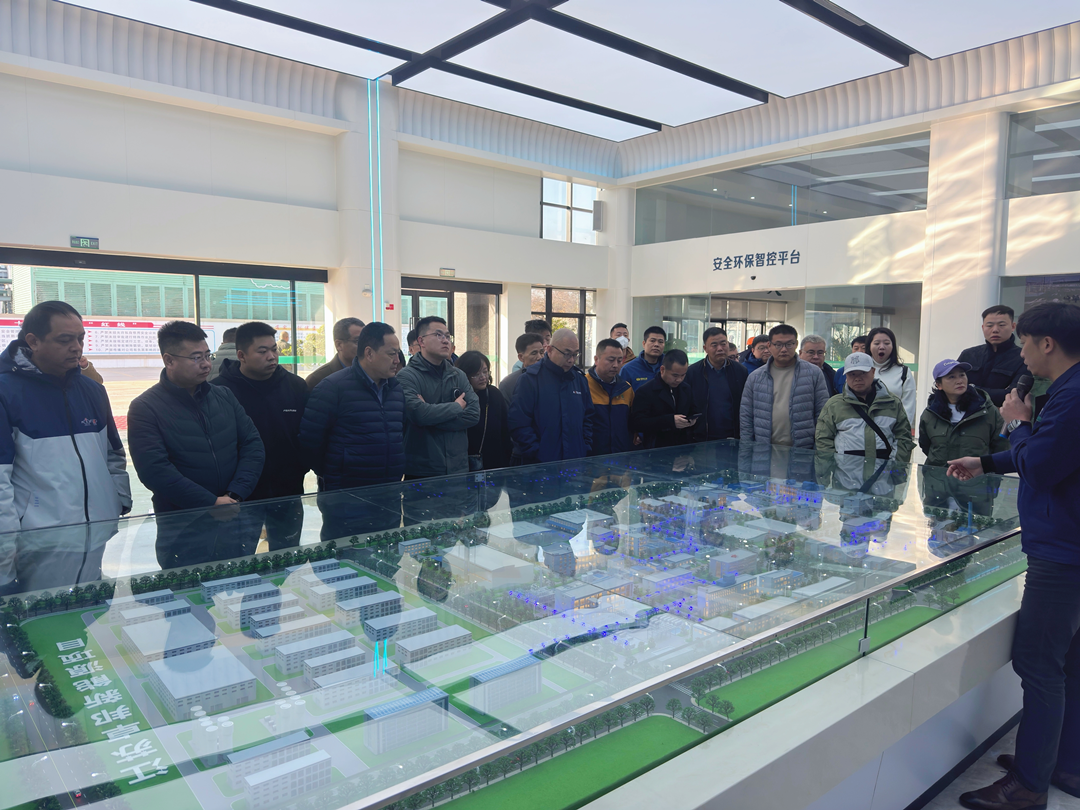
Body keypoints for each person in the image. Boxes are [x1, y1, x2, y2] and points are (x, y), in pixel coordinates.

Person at [947, 303, 1080, 810]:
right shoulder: (1068, 389)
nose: (1021, 352)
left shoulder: (1072, 395)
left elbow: (1041, 465)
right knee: (1070, 664)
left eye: (1024, 341)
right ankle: (1062, 763)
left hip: (1063, 551)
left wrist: (1017, 423)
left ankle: (1027, 785)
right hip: (1067, 544)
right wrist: (986, 461)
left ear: (1047, 343)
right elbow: (1056, 452)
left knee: (1039, 664)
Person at [0, 301, 131, 593]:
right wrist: (5, 552)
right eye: (64, 340)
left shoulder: (93, 390)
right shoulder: (6, 393)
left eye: (80, 338)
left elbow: (113, 454)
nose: (76, 348)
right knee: (43, 616)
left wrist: (116, 502)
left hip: (96, 535)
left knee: (85, 613)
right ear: (33, 341)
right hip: (40, 544)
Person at [128, 321, 265, 569]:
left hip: (233, 517)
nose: (206, 364)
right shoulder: (145, 408)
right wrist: (209, 503)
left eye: (207, 355)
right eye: (195, 358)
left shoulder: (223, 396)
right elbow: (154, 470)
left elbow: (252, 445)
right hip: (183, 527)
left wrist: (234, 495)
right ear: (169, 360)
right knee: (187, 588)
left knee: (235, 583)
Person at [300, 323, 406, 539]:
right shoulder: (333, 387)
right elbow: (310, 442)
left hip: (388, 495)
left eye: (398, 353)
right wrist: (336, 473)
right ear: (369, 353)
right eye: (391, 354)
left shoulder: (395, 389)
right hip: (346, 497)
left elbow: (399, 434)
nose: (397, 360)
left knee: (387, 552)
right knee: (344, 554)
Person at [210, 321, 309, 550]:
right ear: (241, 356)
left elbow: (308, 435)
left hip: (287, 491)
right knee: (238, 558)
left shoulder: (296, 386)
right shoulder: (219, 391)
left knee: (286, 555)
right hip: (239, 496)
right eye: (262, 351)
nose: (272, 356)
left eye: (274, 349)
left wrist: (299, 468)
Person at [397, 316, 479, 478]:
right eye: (438, 335)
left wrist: (429, 419)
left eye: (448, 336)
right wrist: (456, 407)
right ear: (421, 341)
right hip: (423, 469)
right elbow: (418, 414)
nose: (445, 340)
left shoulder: (458, 375)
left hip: (458, 467)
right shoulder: (406, 376)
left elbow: (473, 414)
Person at [509, 327, 594, 463]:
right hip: (541, 464)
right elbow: (519, 422)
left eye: (575, 354)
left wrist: (585, 446)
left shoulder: (579, 380)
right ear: (549, 350)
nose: (571, 360)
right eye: (567, 354)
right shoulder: (530, 379)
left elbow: (588, 418)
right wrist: (536, 452)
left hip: (575, 461)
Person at [740, 325, 830, 449]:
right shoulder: (755, 377)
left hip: (802, 450)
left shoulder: (814, 373)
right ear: (769, 345)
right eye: (778, 345)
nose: (783, 349)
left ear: (796, 344)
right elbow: (746, 418)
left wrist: (817, 450)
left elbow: (822, 415)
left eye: (789, 344)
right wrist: (747, 451)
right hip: (764, 450)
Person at [815, 351, 915, 462]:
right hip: (845, 472)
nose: (857, 378)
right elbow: (823, 440)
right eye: (852, 374)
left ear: (873, 372)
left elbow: (903, 438)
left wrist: (893, 468)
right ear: (846, 376)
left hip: (884, 472)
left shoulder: (892, 403)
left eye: (863, 373)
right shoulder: (834, 405)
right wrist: (832, 466)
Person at [917, 358, 1007, 467]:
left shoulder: (986, 410)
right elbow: (926, 445)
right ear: (939, 385)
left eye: (962, 375)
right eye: (951, 377)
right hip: (939, 476)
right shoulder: (931, 413)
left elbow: (1001, 445)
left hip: (976, 476)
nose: (959, 381)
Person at [957, 305, 1029, 407]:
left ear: (1013, 327)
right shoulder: (968, 355)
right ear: (983, 328)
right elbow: (951, 386)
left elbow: (1014, 397)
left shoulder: (1023, 357)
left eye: (1001, 325)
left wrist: (970, 389)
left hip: (999, 416)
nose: (995, 330)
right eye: (989, 325)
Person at [686, 326, 748, 442]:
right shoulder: (692, 373)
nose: (720, 349)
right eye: (714, 345)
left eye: (723, 344)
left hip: (733, 437)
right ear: (705, 348)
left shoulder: (740, 371)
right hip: (702, 439)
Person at [630, 348, 697, 449]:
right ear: (662, 370)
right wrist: (669, 421)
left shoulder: (686, 388)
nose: (679, 379)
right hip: (656, 448)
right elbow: (637, 423)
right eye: (675, 375)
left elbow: (693, 409)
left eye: (683, 375)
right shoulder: (645, 391)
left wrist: (692, 419)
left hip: (683, 447)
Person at [456, 351, 511, 471]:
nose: (483, 377)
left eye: (485, 372)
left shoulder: (494, 394)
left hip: (495, 464)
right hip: (463, 465)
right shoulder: (458, 398)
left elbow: (505, 431)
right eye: (476, 374)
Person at [587, 338, 634, 456]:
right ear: (596, 359)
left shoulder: (626, 388)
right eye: (611, 360)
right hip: (591, 457)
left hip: (621, 456)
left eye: (619, 360)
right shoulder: (583, 385)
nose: (616, 365)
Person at [866, 326, 917, 425]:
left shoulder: (904, 372)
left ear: (893, 346)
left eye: (886, 343)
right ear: (869, 346)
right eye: (876, 343)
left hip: (893, 430)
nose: (881, 347)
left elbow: (908, 408)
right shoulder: (860, 372)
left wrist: (901, 430)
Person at [306, 317, 365, 390]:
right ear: (339, 345)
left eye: (366, 340)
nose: (365, 346)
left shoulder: (372, 374)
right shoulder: (317, 380)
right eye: (357, 341)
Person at [499, 333, 545, 403]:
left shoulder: (552, 378)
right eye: (534, 353)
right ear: (521, 357)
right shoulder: (508, 384)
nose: (540, 357)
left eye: (541, 352)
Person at [621, 326, 666, 392]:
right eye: (652, 341)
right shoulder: (628, 369)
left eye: (660, 342)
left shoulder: (668, 367)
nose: (656, 344)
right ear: (644, 344)